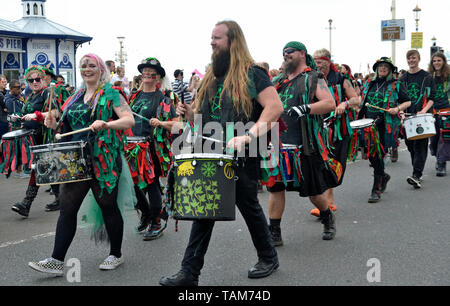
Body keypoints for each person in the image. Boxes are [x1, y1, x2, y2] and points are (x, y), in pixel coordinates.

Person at [160, 20, 283, 286]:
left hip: (241, 153)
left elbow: (274, 108)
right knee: (204, 209)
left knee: (248, 206)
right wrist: (189, 113)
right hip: (209, 151)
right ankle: (189, 273)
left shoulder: (253, 74)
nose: (212, 42)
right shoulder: (212, 75)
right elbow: (202, 118)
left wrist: (248, 136)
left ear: (233, 41)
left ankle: (268, 257)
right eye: (211, 38)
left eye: (217, 38)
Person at [28, 53, 135, 276]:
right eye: (83, 66)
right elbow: (63, 125)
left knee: (108, 205)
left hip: (102, 159)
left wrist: (107, 123)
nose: (87, 69)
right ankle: (56, 260)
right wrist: (53, 121)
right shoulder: (75, 96)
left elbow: (129, 120)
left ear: (100, 70)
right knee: (67, 208)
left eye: (92, 65)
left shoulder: (110, 94)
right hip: (75, 160)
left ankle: (116, 253)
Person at [262, 42, 336, 246]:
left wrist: (305, 108)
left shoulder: (314, 78)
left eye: (290, 52)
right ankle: (274, 231)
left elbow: (330, 103)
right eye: (283, 52)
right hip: (278, 144)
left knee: (313, 192)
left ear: (302, 54)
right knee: (275, 187)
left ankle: (327, 216)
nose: (286, 55)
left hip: (304, 143)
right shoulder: (279, 80)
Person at [128, 57, 179, 240]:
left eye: (152, 72)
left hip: (151, 148)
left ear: (158, 77)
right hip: (131, 147)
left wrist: (160, 122)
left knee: (151, 185)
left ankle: (156, 222)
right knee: (131, 185)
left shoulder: (162, 98)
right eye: (145, 71)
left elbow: (177, 125)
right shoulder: (134, 97)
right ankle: (147, 213)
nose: (147, 74)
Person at [311, 49, 360, 218]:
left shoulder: (341, 78)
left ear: (329, 61)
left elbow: (356, 99)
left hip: (338, 128)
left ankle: (329, 200)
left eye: (321, 61)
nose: (318, 64)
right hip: (318, 128)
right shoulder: (314, 79)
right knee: (319, 162)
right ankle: (326, 201)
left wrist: (344, 105)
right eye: (315, 61)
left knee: (334, 162)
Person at [357, 57, 411, 202]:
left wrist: (397, 108)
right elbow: (362, 102)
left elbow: (408, 101)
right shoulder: (369, 83)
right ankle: (383, 176)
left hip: (384, 124)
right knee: (371, 155)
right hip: (367, 123)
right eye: (380, 66)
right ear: (376, 69)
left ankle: (376, 189)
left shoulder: (396, 84)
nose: (382, 68)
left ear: (390, 70)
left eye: (386, 66)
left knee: (378, 153)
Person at [10, 66, 60, 217]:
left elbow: (55, 112)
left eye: (37, 79)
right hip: (32, 138)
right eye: (31, 80)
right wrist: (18, 117)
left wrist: (37, 115)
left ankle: (26, 203)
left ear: (43, 79)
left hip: (45, 136)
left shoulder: (48, 92)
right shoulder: (30, 96)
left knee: (38, 168)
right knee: (48, 168)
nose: (34, 82)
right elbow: (27, 114)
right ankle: (61, 199)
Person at [399, 50, 436, 189]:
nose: (411, 60)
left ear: (418, 59)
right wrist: (401, 113)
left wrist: (424, 110)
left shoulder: (427, 77)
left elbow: (432, 97)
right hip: (407, 117)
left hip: (422, 115)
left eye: (413, 58)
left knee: (420, 145)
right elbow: (399, 99)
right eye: (409, 58)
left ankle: (416, 174)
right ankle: (417, 171)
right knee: (410, 145)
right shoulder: (402, 78)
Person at [428, 52, 450, 176]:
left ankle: (442, 163)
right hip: (432, 110)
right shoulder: (429, 76)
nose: (436, 63)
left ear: (443, 62)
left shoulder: (448, 76)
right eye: (434, 61)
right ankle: (438, 157)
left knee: (444, 137)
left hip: (446, 110)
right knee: (434, 137)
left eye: (439, 60)